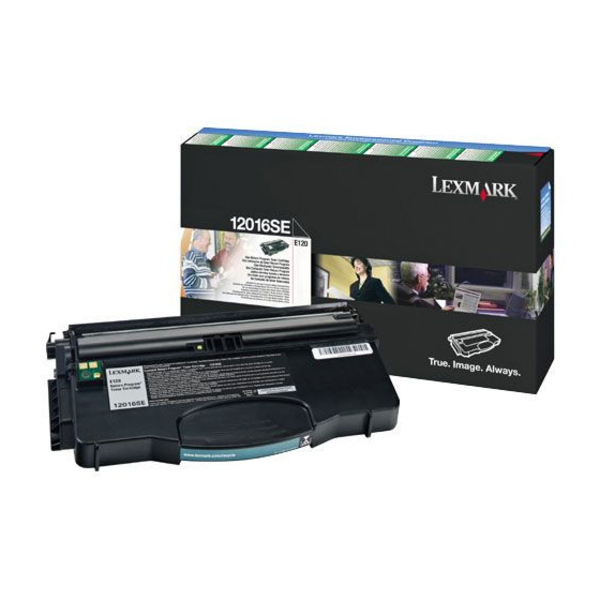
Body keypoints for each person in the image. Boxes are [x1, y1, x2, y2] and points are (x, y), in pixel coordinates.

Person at [181, 229, 218, 299]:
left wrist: (213, 277)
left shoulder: (203, 259)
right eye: (208, 239)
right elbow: (188, 279)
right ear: (200, 239)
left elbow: (202, 279)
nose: (210, 243)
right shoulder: (191, 256)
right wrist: (210, 282)